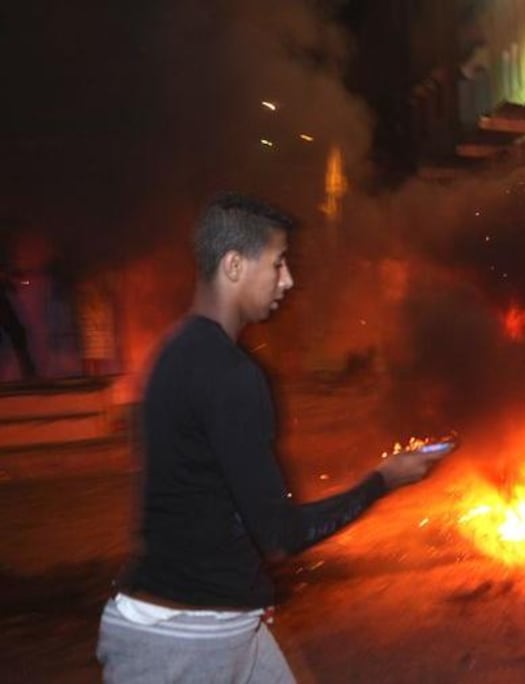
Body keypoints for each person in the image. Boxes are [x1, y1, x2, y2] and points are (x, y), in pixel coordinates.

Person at [96, 193, 454, 683]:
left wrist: (245, 587)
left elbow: (200, 498)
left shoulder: (177, 349)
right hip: (184, 642)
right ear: (235, 265)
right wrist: (384, 480)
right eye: (279, 263)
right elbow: (281, 535)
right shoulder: (231, 373)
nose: (288, 280)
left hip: (216, 619)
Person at [0, 248, 37, 380]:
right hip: (3, 309)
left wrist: (17, 280)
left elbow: (13, 284)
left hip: (4, 308)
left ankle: (29, 373)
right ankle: (28, 373)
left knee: (18, 335)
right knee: (17, 334)